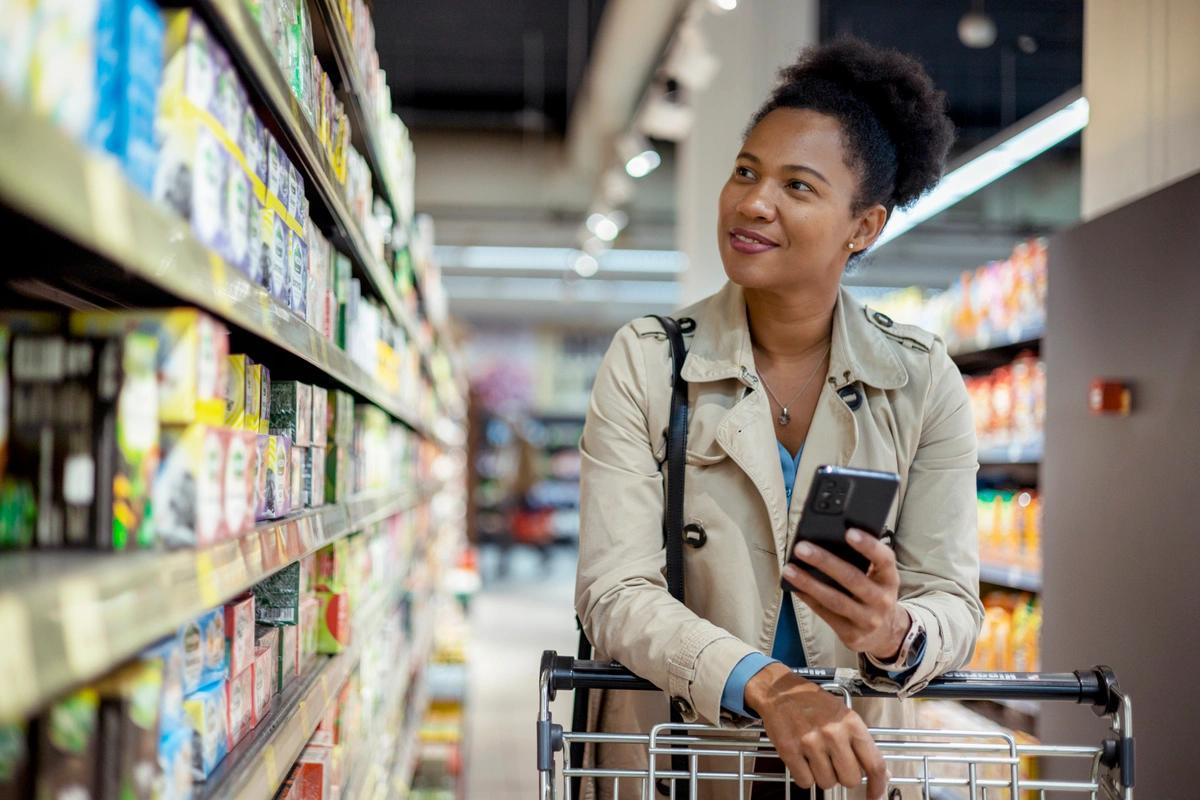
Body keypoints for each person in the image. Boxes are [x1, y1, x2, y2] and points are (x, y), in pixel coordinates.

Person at [575, 37, 983, 800]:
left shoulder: (922, 382)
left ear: (863, 227)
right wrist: (767, 684)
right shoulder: (648, 362)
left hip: (845, 767)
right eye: (746, 172)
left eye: (798, 185)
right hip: (678, 763)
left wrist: (893, 631)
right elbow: (613, 591)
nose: (754, 202)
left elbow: (954, 601)